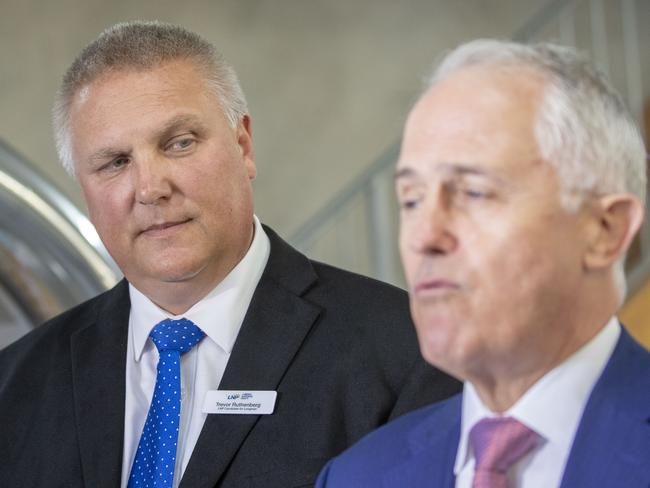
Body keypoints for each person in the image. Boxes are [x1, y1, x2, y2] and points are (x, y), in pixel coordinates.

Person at [0, 21, 460, 488]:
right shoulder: (15, 385)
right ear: (84, 189)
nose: (151, 188)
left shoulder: (407, 351)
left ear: (243, 146)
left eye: (179, 143)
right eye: (115, 162)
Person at [317, 39, 650, 487]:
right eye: (411, 200)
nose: (425, 236)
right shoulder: (356, 476)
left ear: (604, 230)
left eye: (474, 193)